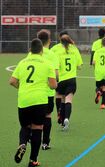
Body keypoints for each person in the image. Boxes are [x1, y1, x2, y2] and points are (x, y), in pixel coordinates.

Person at [9, 38, 57, 167]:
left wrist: (22, 87)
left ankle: (22, 144)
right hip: (40, 100)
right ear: (41, 50)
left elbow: (12, 81)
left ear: (30, 49)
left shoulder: (22, 62)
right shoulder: (47, 63)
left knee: (25, 127)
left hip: (24, 99)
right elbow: (53, 86)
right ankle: (33, 160)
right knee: (37, 127)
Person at [55, 34, 83, 130]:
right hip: (71, 79)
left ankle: (62, 121)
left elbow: (56, 67)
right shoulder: (74, 50)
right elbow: (79, 66)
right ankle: (66, 118)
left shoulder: (58, 52)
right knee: (68, 100)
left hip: (62, 80)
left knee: (62, 99)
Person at [37, 29, 59, 150]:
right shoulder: (51, 55)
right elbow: (55, 75)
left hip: (34, 91)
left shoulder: (33, 53)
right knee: (48, 115)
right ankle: (45, 143)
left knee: (34, 116)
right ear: (49, 41)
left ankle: (30, 136)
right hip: (48, 92)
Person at [51, 30, 69, 124]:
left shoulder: (54, 48)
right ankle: (63, 115)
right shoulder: (71, 48)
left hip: (57, 74)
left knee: (58, 95)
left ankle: (59, 112)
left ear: (59, 38)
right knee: (65, 97)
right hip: (68, 76)